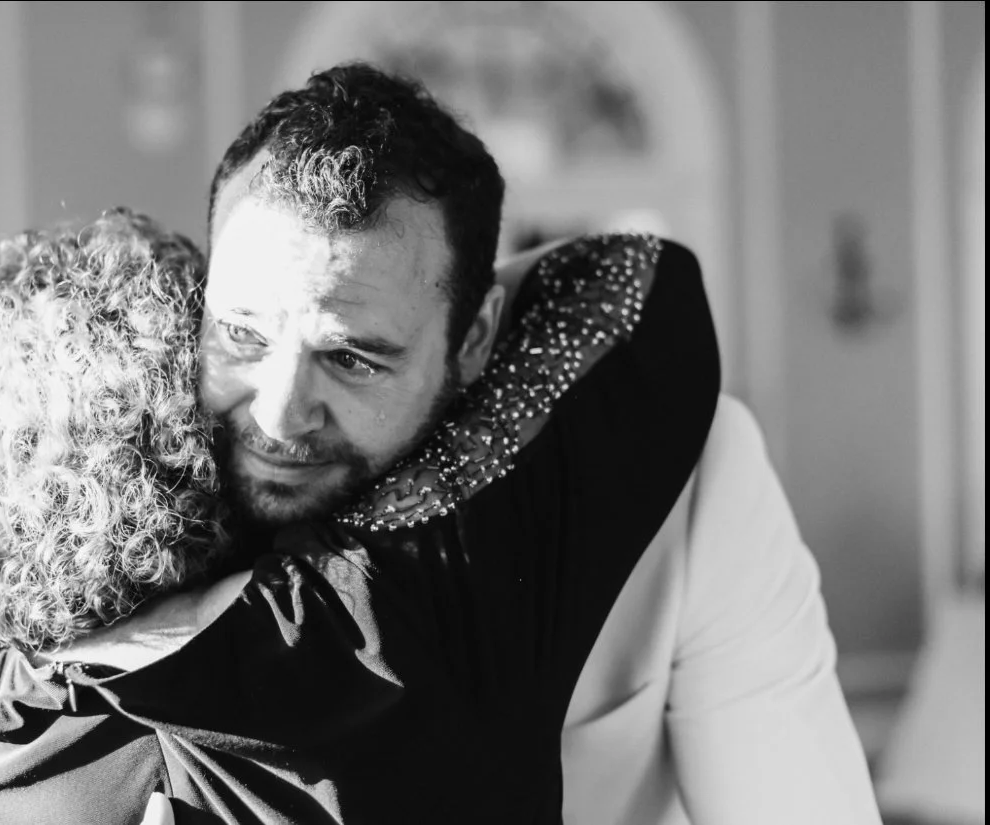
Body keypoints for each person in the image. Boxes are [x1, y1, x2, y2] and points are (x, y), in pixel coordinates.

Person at [0, 200, 721, 823]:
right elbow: (634, 283)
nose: (274, 405)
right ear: (181, 445)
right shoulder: (353, 630)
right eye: (242, 345)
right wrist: (445, 321)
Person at [200, 63, 882, 824]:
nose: (280, 415)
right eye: (242, 333)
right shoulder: (111, 480)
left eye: (353, 357)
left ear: (475, 338)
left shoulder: (700, 474)